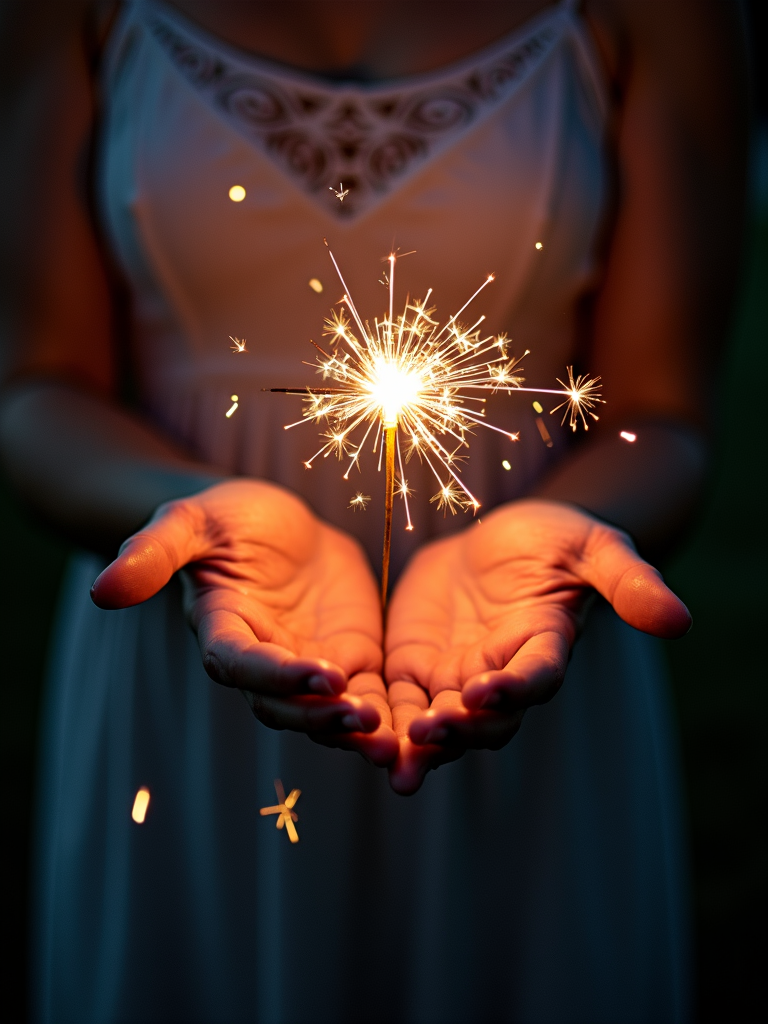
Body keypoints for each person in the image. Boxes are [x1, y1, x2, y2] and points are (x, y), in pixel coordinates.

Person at [0, 1, 748, 1021]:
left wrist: (556, 538)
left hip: (525, 658)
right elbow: (39, 385)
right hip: (184, 675)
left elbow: (660, 416)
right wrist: (189, 511)